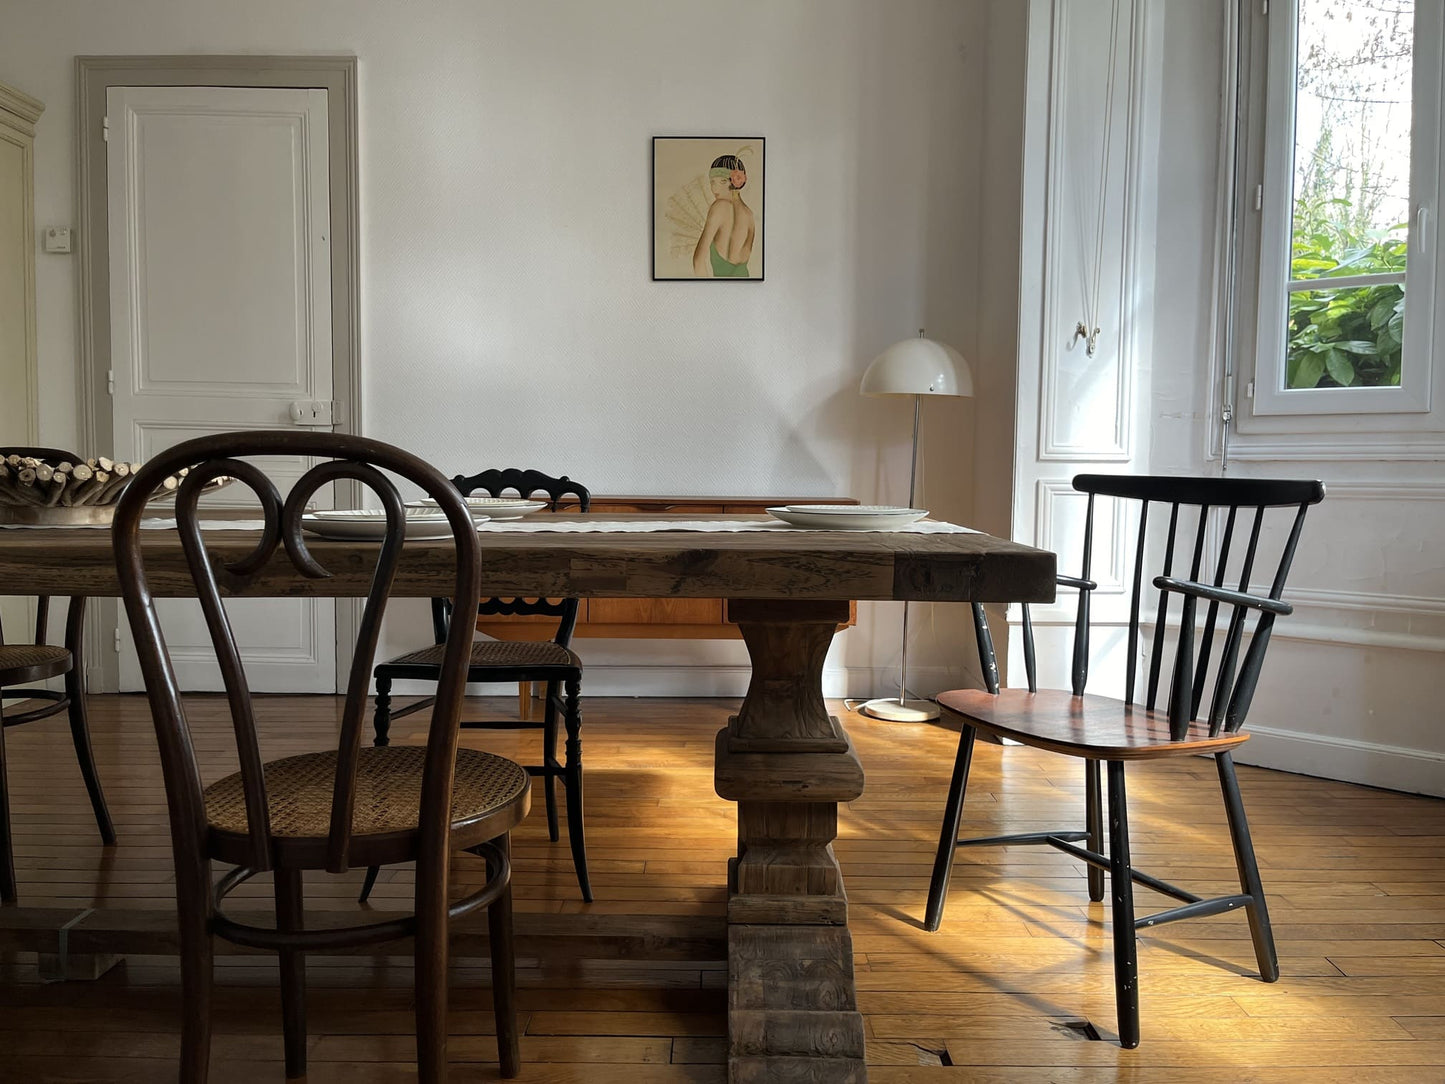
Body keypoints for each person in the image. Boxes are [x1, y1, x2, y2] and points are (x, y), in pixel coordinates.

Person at [692, 155, 755, 277]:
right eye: (712, 182)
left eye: (722, 181)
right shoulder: (749, 215)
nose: (715, 188)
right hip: (746, 288)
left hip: (719, 290)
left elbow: (698, 260)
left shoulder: (719, 207)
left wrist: (704, 292)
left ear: (735, 182)